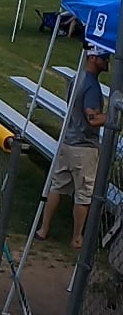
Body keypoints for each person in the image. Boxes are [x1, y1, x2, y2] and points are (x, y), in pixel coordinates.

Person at [42, 49, 112, 249]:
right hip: (84, 148)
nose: (107, 61)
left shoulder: (76, 78)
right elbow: (93, 119)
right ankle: (77, 238)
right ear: (93, 58)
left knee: (57, 186)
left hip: (67, 142)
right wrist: (114, 116)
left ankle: (43, 229)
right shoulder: (92, 86)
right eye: (104, 58)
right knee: (83, 194)